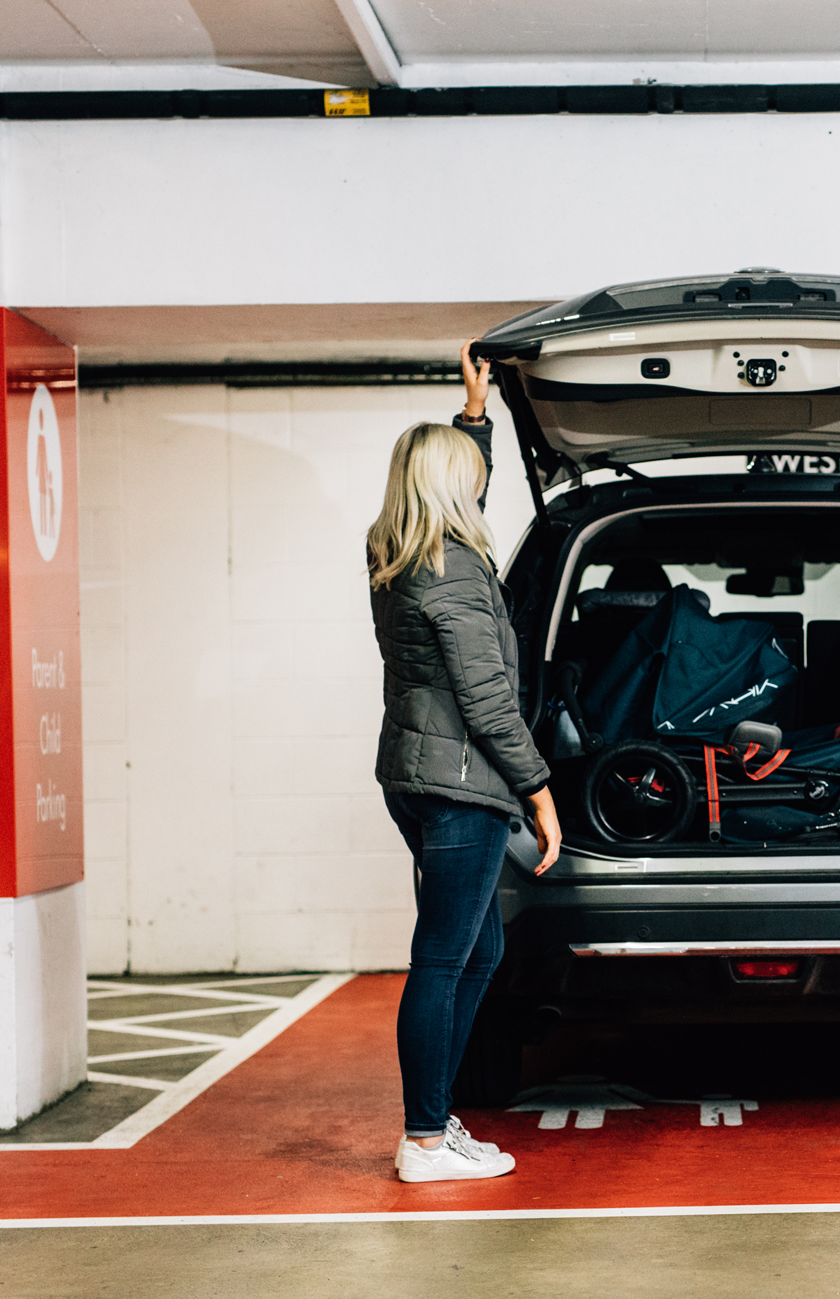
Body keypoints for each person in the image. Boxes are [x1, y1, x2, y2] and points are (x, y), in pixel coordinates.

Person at [368, 339, 562, 1184]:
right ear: (450, 488)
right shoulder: (454, 572)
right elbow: (488, 701)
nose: (480, 483)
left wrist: (475, 416)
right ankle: (422, 1139)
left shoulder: (398, 549)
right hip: (461, 786)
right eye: (470, 471)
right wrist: (540, 791)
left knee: (476, 952)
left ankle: (436, 1118)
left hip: (421, 777)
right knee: (446, 957)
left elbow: (460, 486)